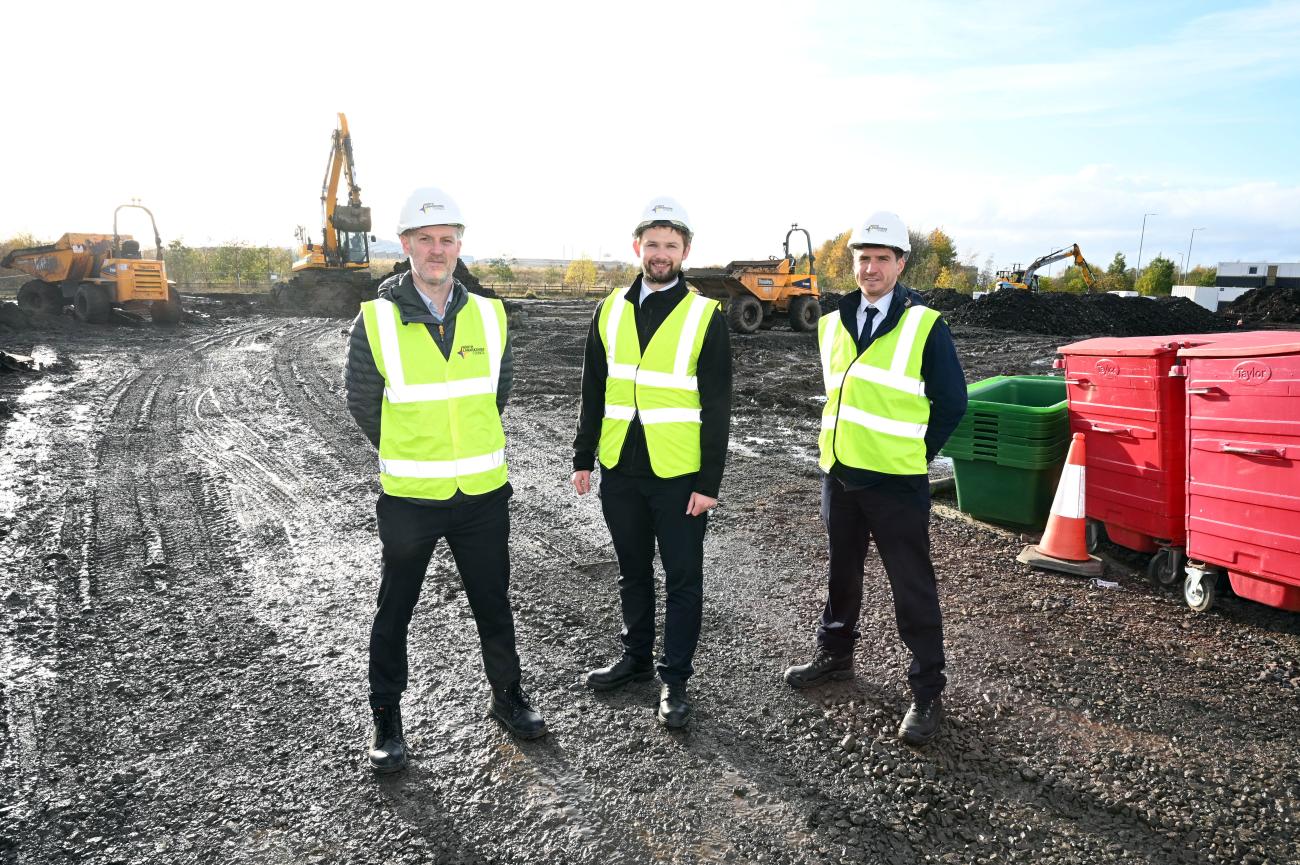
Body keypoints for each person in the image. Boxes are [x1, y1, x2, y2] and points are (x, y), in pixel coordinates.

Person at [345, 186, 546, 774]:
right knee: (395, 608)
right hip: (411, 498)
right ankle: (386, 718)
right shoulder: (377, 320)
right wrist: (413, 450)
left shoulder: (490, 313)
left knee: (493, 602)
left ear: (460, 245)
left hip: (482, 496)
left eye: (447, 240)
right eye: (425, 239)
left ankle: (507, 698)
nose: (437, 250)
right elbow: (362, 400)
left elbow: (496, 393)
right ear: (405, 245)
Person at [783, 211, 967, 746]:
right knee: (842, 573)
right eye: (863, 258)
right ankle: (835, 655)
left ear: (900, 264)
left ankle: (927, 690)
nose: (870, 268)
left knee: (911, 586)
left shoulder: (924, 325)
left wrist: (915, 452)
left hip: (895, 483)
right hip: (839, 475)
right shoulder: (832, 322)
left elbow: (952, 402)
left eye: (882, 258)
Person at [571, 197, 732, 729]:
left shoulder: (705, 316)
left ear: (685, 251)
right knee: (632, 572)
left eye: (671, 245)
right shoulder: (610, 309)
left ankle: (675, 681)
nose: (661, 254)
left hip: (679, 476)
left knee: (683, 579)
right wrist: (583, 457)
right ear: (637, 247)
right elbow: (593, 389)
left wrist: (709, 482)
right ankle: (636, 659)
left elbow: (718, 404)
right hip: (620, 467)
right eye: (652, 243)